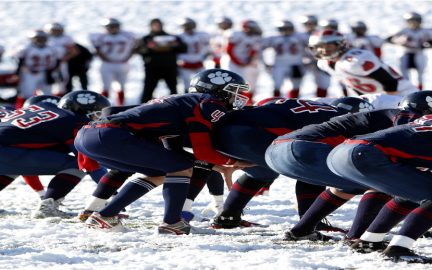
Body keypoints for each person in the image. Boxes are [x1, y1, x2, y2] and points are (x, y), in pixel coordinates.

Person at [74, 69, 251, 234]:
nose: (238, 96)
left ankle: (105, 215)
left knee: (162, 172)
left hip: (90, 136)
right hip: (111, 134)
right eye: (234, 90)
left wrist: (217, 166)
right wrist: (232, 162)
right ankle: (172, 222)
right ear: (217, 89)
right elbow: (202, 151)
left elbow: (175, 151)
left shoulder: (182, 102)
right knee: (180, 167)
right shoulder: (209, 102)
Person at [265, 91, 432, 242]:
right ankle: (359, 236)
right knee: (383, 181)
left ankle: (302, 229)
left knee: (355, 184)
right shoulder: (406, 116)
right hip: (308, 147)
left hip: (280, 149)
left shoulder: (384, 115)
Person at [210, 97, 352, 229]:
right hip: (247, 132)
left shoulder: (324, 109)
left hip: (226, 129)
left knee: (263, 172)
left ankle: (228, 216)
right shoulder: (350, 124)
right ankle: (310, 224)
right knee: (314, 168)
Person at [328, 111, 432, 263]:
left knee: (413, 193)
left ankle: (369, 241)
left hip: (341, 153)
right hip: (367, 153)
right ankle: (398, 248)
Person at [0, 90, 109, 218]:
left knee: (14, 166)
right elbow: (88, 162)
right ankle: (48, 207)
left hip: (8, 150)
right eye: (96, 115)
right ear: (84, 110)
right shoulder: (73, 120)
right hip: (6, 151)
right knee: (77, 165)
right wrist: (111, 192)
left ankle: (47, 203)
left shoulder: (43, 111)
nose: (97, 119)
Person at [308, 29, 419, 99]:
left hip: (403, 93)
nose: (324, 50)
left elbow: (390, 83)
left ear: (340, 45)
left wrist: (388, 104)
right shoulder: (323, 63)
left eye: (329, 46)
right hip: (377, 95)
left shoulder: (356, 60)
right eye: (320, 47)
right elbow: (353, 84)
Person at [136, 18, 187, 103]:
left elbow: (183, 49)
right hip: (152, 68)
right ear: (151, 26)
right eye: (155, 25)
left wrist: (175, 45)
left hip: (169, 67)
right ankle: (142, 109)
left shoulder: (171, 37)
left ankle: (176, 109)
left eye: (158, 25)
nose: (157, 27)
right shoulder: (146, 38)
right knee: (148, 90)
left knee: (173, 91)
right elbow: (139, 51)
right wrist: (149, 48)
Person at [89, 18, 137, 105]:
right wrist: (104, 58)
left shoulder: (127, 35)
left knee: (121, 87)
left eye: (114, 26)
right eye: (110, 26)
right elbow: (97, 49)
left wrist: (128, 57)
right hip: (108, 64)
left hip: (122, 64)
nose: (112, 28)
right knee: (106, 86)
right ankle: (102, 107)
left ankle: (121, 106)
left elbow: (135, 47)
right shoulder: (101, 36)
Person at [15, 30, 64, 108]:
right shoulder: (26, 49)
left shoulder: (52, 49)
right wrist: (19, 73)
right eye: (37, 38)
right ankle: (22, 109)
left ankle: (48, 109)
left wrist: (57, 73)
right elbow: (20, 62)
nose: (40, 40)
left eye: (42, 38)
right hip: (30, 73)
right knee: (27, 93)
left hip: (46, 73)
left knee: (47, 94)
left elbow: (57, 62)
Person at [385, 12, 432, 90]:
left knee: (420, 74)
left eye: (416, 21)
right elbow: (389, 39)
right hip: (405, 53)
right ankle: (408, 90)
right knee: (404, 74)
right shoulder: (403, 30)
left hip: (418, 53)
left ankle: (420, 89)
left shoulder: (425, 31)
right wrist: (401, 42)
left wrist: (425, 45)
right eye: (411, 21)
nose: (414, 23)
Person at [220, 19, 262, 103]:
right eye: (252, 28)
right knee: (231, 82)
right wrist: (238, 62)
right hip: (231, 61)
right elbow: (229, 49)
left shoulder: (255, 37)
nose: (254, 30)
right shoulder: (236, 34)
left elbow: (253, 51)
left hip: (245, 61)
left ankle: (248, 102)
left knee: (249, 82)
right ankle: (229, 101)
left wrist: (248, 61)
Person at [261, 20, 305, 98]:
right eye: (283, 28)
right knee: (277, 85)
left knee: (295, 86)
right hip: (279, 65)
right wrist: (265, 62)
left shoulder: (299, 37)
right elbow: (259, 48)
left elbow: (311, 47)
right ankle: (275, 103)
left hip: (295, 64)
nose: (286, 30)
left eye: (288, 28)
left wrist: (308, 59)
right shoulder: (273, 38)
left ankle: (293, 103)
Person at [298, 14, 330, 98]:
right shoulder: (298, 35)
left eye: (311, 23)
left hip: (319, 61)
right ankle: (291, 104)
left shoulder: (321, 34)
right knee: (295, 84)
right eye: (307, 23)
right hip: (302, 62)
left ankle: (321, 103)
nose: (309, 25)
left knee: (323, 84)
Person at [44, 22, 80, 95]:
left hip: (61, 63)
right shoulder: (45, 38)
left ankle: (59, 98)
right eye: (54, 30)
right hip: (45, 64)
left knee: (62, 82)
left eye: (57, 30)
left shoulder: (66, 38)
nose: (56, 32)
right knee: (44, 82)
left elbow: (75, 51)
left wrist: (63, 59)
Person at [176, 18, 210, 92]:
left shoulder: (201, 35)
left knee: (202, 81)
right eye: (186, 26)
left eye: (189, 26)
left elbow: (207, 47)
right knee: (186, 82)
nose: (188, 28)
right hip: (184, 61)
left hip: (198, 60)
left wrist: (204, 56)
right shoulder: (179, 37)